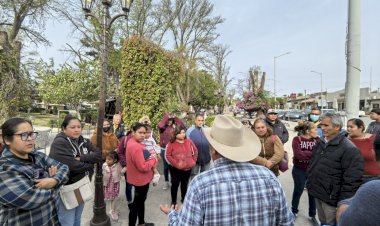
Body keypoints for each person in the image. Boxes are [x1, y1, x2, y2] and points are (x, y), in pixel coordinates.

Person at [160, 115, 294, 225]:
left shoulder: (200, 184)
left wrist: (172, 215)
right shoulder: (268, 177)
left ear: (213, 150)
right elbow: (286, 222)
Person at [0, 118, 69, 225]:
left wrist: (54, 180)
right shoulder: (4, 169)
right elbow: (31, 198)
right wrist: (56, 185)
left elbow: (64, 168)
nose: (30, 139)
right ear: (7, 140)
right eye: (23, 135)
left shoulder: (37, 156)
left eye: (31, 134)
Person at [306, 113, 364, 226]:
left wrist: (343, 203)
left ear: (337, 127)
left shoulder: (349, 148)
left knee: (332, 223)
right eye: (321, 125)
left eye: (326, 125)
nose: (322, 128)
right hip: (318, 193)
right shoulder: (321, 142)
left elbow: (352, 180)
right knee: (323, 222)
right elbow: (313, 163)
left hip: (332, 200)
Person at [49, 115, 102, 226]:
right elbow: (71, 166)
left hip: (81, 185)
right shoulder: (60, 143)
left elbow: (98, 155)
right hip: (67, 187)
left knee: (77, 218)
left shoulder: (83, 140)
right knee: (67, 221)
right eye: (72, 127)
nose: (77, 129)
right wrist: (90, 165)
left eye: (79, 127)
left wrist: (81, 158)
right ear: (64, 128)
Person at [336, 131, 380, 226]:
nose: (349, 129)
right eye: (348, 126)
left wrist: (344, 205)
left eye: (351, 127)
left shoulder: (372, 189)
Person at [126, 123, 157, 226]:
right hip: (141, 179)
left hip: (136, 177)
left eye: (144, 133)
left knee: (140, 202)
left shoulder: (131, 141)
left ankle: (141, 223)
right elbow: (143, 167)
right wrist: (153, 160)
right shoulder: (136, 147)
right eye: (140, 133)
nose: (143, 135)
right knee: (136, 205)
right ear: (133, 132)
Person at [290, 121, 318, 226]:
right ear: (308, 131)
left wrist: (305, 153)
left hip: (313, 170)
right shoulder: (297, 139)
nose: (317, 131)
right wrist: (312, 153)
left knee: (312, 193)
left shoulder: (317, 140)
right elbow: (298, 155)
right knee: (298, 190)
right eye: (314, 129)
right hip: (299, 170)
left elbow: (320, 153)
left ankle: (312, 215)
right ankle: (294, 211)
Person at [166, 125, 198, 205]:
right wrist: (176, 164)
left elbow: (195, 151)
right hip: (175, 169)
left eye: (183, 132)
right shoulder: (171, 143)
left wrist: (193, 161)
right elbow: (168, 155)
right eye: (180, 133)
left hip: (187, 168)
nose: (182, 134)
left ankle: (184, 198)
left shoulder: (189, 141)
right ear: (175, 134)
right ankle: (173, 201)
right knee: (175, 185)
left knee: (185, 184)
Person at [346, 118, 380, 183]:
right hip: (352, 179)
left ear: (360, 127)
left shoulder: (374, 139)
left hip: (374, 178)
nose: (348, 129)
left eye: (351, 127)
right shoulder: (345, 141)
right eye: (347, 127)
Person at [158, 112, 184, 190]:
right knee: (166, 167)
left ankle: (174, 181)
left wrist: (175, 117)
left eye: (171, 120)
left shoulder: (175, 127)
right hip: (164, 149)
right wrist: (166, 116)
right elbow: (160, 125)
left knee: (173, 166)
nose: (169, 121)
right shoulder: (162, 128)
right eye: (168, 120)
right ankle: (166, 182)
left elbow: (182, 125)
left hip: (173, 149)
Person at [103, 150, 126, 221]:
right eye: (106, 159)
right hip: (107, 185)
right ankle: (112, 210)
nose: (107, 161)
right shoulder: (104, 165)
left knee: (114, 198)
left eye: (109, 159)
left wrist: (126, 168)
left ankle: (112, 211)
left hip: (115, 185)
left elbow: (121, 171)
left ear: (115, 160)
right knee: (110, 198)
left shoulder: (117, 165)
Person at [186, 114, 210, 181]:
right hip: (195, 159)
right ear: (195, 121)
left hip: (206, 158)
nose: (200, 122)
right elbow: (186, 145)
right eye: (199, 120)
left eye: (202, 120)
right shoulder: (190, 131)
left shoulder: (207, 129)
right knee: (194, 177)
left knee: (205, 178)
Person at [116, 129, 133, 207]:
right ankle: (129, 201)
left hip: (139, 167)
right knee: (129, 185)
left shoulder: (143, 139)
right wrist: (126, 164)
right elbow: (120, 152)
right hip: (128, 167)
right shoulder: (125, 139)